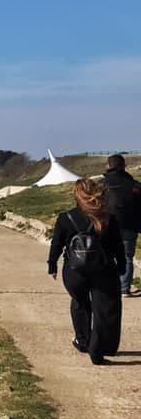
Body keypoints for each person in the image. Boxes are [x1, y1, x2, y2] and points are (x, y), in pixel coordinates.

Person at [48, 178, 126, 365]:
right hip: (104, 269)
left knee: (80, 304)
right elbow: (118, 246)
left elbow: (56, 244)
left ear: (76, 196)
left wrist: (52, 264)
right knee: (105, 310)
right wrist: (122, 265)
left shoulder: (65, 218)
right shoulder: (108, 218)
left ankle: (83, 341)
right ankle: (98, 349)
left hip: (75, 271)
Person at [102, 154, 141, 296]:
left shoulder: (102, 184)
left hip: (106, 226)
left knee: (106, 255)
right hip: (129, 226)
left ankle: (106, 287)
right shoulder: (134, 184)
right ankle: (124, 288)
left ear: (108, 166)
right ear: (124, 166)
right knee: (127, 257)